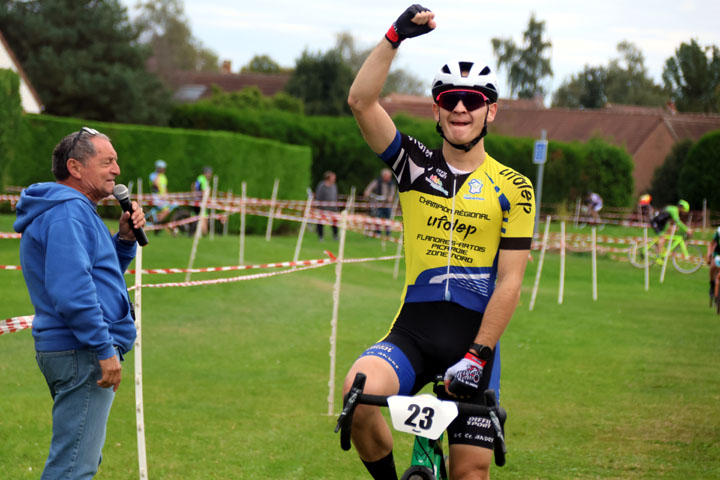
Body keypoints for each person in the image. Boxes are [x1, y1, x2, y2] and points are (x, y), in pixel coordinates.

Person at [342, 5, 535, 480]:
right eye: (450, 99)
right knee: (358, 392)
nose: (461, 109)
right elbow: (362, 103)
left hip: (473, 342)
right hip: (412, 333)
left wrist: (478, 354)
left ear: (491, 109)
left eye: (472, 99)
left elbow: (510, 282)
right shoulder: (414, 164)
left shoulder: (515, 187)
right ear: (437, 109)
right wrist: (393, 38)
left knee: (471, 473)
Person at [12, 127, 145, 479]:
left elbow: (98, 280)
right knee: (73, 469)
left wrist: (124, 241)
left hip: (73, 348)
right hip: (81, 350)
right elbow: (72, 292)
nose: (117, 170)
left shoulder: (71, 210)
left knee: (78, 460)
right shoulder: (69, 213)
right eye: (108, 161)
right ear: (75, 167)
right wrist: (104, 349)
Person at [363, 168, 397, 235]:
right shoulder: (377, 181)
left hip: (386, 204)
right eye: (387, 176)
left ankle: (388, 233)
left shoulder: (392, 184)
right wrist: (367, 192)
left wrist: (390, 197)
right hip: (377, 203)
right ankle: (378, 233)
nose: (388, 178)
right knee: (377, 218)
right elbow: (369, 189)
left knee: (388, 218)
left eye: (389, 177)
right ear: (383, 176)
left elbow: (392, 193)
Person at [148, 159, 174, 234]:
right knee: (166, 210)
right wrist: (158, 175)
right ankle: (157, 224)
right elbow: (155, 185)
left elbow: (164, 188)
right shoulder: (153, 175)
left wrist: (167, 195)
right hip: (157, 197)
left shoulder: (163, 177)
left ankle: (157, 223)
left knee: (167, 210)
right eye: (162, 168)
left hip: (162, 198)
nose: (164, 170)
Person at [314, 170, 339, 241]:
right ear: (328, 178)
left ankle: (335, 236)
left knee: (335, 223)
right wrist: (319, 206)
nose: (334, 179)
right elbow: (318, 196)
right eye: (333, 177)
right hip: (323, 208)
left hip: (333, 209)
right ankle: (320, 237)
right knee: (320, 223)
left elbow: (335, 197)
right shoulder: (321, 186)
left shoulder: (334, 186)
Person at [192, 166, 213, 235]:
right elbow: (204, 192)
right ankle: (197, 233)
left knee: (203, 220)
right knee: (204, 229)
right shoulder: (203, 179)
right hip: (200, 202)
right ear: (206, 173)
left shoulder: (200, 178)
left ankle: (197, 232)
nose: (211, 175)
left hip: (200, 202)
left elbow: (193, 186)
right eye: (210, 173)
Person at [706, 226, 720, 301]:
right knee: (713, 266)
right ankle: (712, 285)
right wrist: (709, 254)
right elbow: (712, 244)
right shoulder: (719, 231)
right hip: (718, 252)